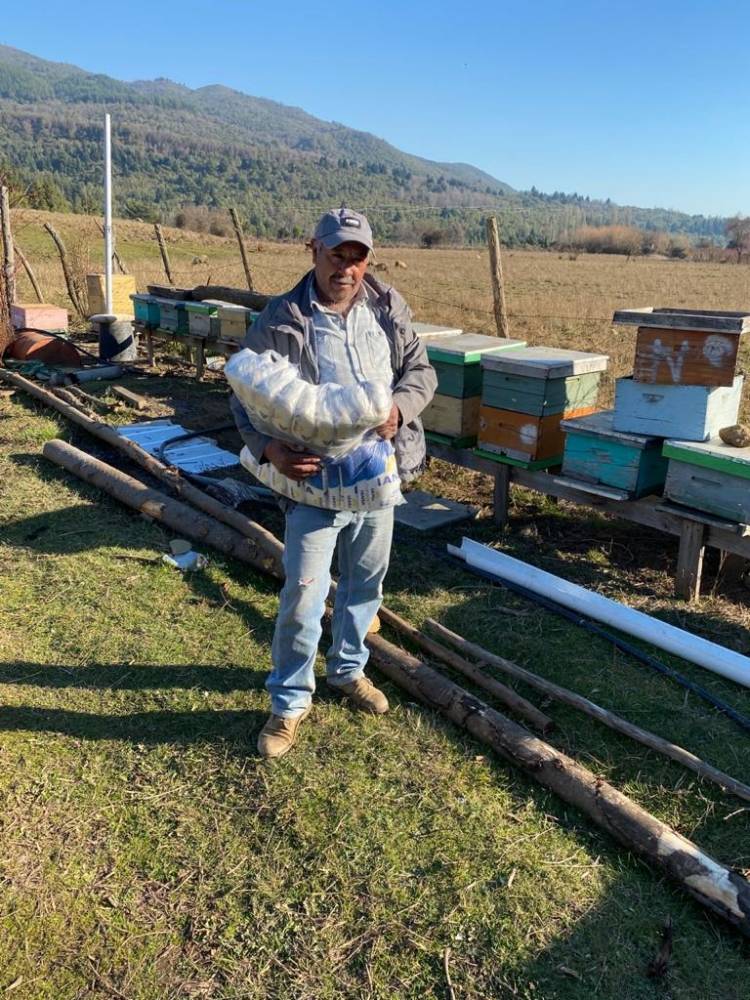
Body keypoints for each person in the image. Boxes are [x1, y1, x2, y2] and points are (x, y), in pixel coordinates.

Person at [230, 207, 436, 758]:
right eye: (336, 253)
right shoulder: (283, 316)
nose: (346, 266)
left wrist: (399, 407)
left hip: (377, 480)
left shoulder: (387, 305)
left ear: (368, 259)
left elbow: (422, 371)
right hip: (313, 487)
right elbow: (244, 392)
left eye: (357, 256)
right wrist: (269, 448)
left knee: (365, 585)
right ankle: (288, 703)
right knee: (302, 596)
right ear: (313, 250)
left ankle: (347, 670)